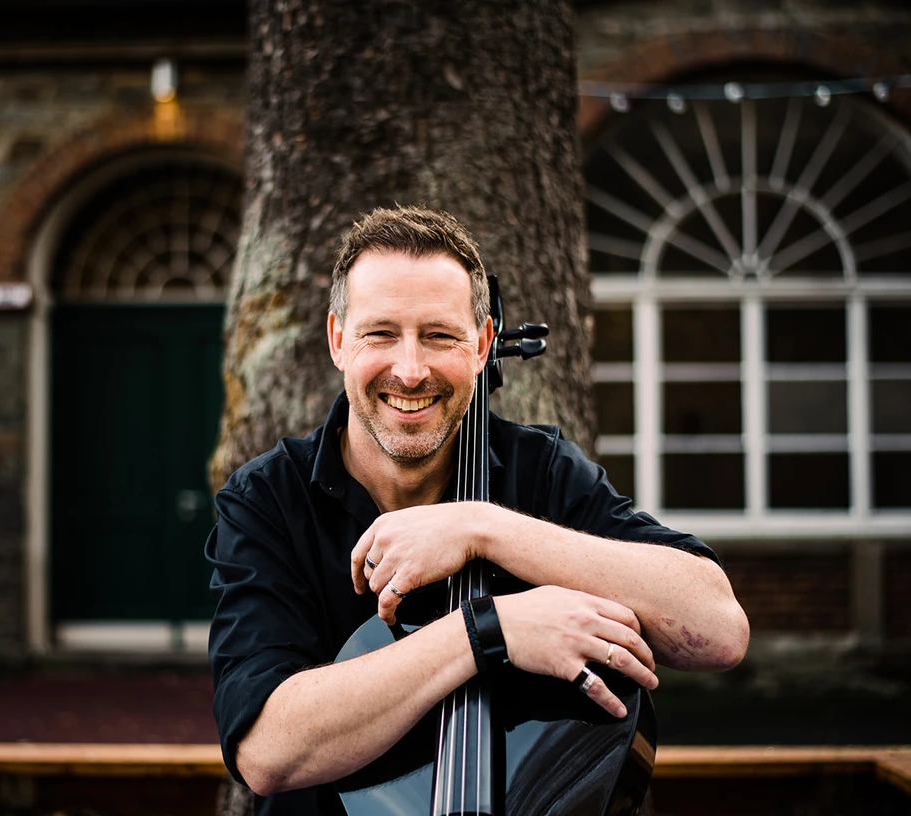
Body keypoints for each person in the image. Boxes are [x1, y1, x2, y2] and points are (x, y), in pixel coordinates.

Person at [206, 205, 750, 815]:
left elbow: (717, 633)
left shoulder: (538, 472)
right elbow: (266, 752)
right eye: (380, 333)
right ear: (338, 339)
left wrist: (483, 528)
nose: (410, 371)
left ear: (484, 342)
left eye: (439, 335)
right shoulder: (269, 500)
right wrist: (488, 631)